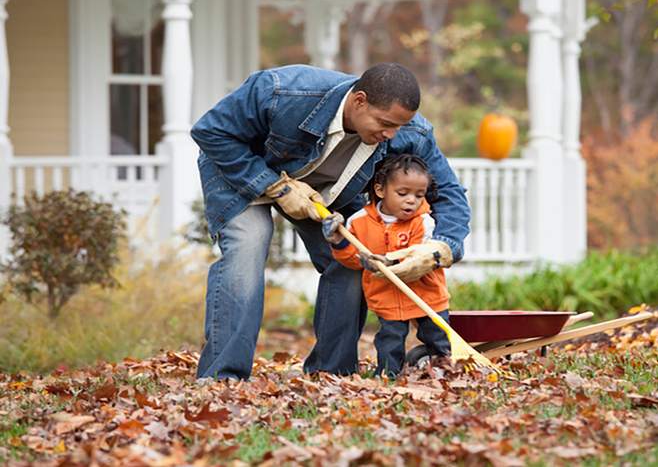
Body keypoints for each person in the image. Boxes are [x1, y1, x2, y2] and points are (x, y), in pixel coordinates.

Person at [190, 63, 470, 380]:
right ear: (359, 101)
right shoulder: (281, 91)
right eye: (385, 123)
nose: (392, 134)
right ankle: (223, 377)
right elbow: (211, 130)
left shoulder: (409, 131)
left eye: (398, 126)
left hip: (328, 193)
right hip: (244, 173)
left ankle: (330, 372)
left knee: (357, 256)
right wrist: (275, 186)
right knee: (249, 244)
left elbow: (447, 190)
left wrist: (440, 249)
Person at [321, 154, 451, 377]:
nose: (412, 200)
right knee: (390, 340)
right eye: (403, 193)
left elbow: (416, 254)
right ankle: (389, 375)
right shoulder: (359, 222)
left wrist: (390, 259)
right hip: (387, 296)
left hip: (426, 294)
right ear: (380, 190)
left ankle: (445, 368)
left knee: (437, 336)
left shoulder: (423, 221)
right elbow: (352, 260)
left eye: (419, 195)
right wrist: (339, 242)